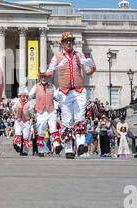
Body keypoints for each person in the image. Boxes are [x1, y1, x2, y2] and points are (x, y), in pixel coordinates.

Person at [45, 31, 96, 159]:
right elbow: (49, 73)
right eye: (67, 41)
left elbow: (87, 71)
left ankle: (80, 144)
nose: (69, 43)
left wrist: (93, 68)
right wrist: (53, 70)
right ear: (62, 43)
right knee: (67, 121)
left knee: (79, 118)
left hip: (79, 90)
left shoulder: (79, 55)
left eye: (71, 41)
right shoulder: (56, 57)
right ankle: (68, 150)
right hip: (64, 92)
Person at [29, 71, 59, 157]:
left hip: (51, 110)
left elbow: (57, 96)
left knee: (53, 127)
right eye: (42, 76)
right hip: (40, 111)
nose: (44, 78)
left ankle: (57, 145)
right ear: (40, 78)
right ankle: (41, 150)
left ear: (48, 78)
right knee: (41, 130)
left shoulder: (52, 86)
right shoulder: (36, 86)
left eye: (45, 76)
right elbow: (30, 96)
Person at [13, 87, 34, 156]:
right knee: (18, 133)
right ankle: (17, 146)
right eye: (22, 96)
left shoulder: (30, 104)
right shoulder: (16, 102)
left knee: (26, 136)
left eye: (25, 96)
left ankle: (25, 151)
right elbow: (13, 110)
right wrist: (14, 109)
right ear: (20, 96)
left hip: (26, 121)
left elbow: (32, 113)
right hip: (18, 121)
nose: (24, 97)